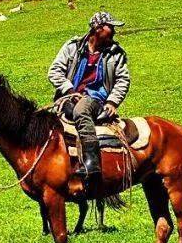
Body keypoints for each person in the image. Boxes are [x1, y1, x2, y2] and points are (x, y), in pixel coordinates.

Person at [48, 12, 131, 188]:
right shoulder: (73, 47)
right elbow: (54, 71)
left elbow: (123, 80)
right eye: (111, 27)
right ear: (98, 29)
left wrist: (112, 102)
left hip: (96, 98)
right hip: (69, 96)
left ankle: (92, 162)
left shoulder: (116, 53)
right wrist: (70, 90)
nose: (114, 31)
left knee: (81, 111)